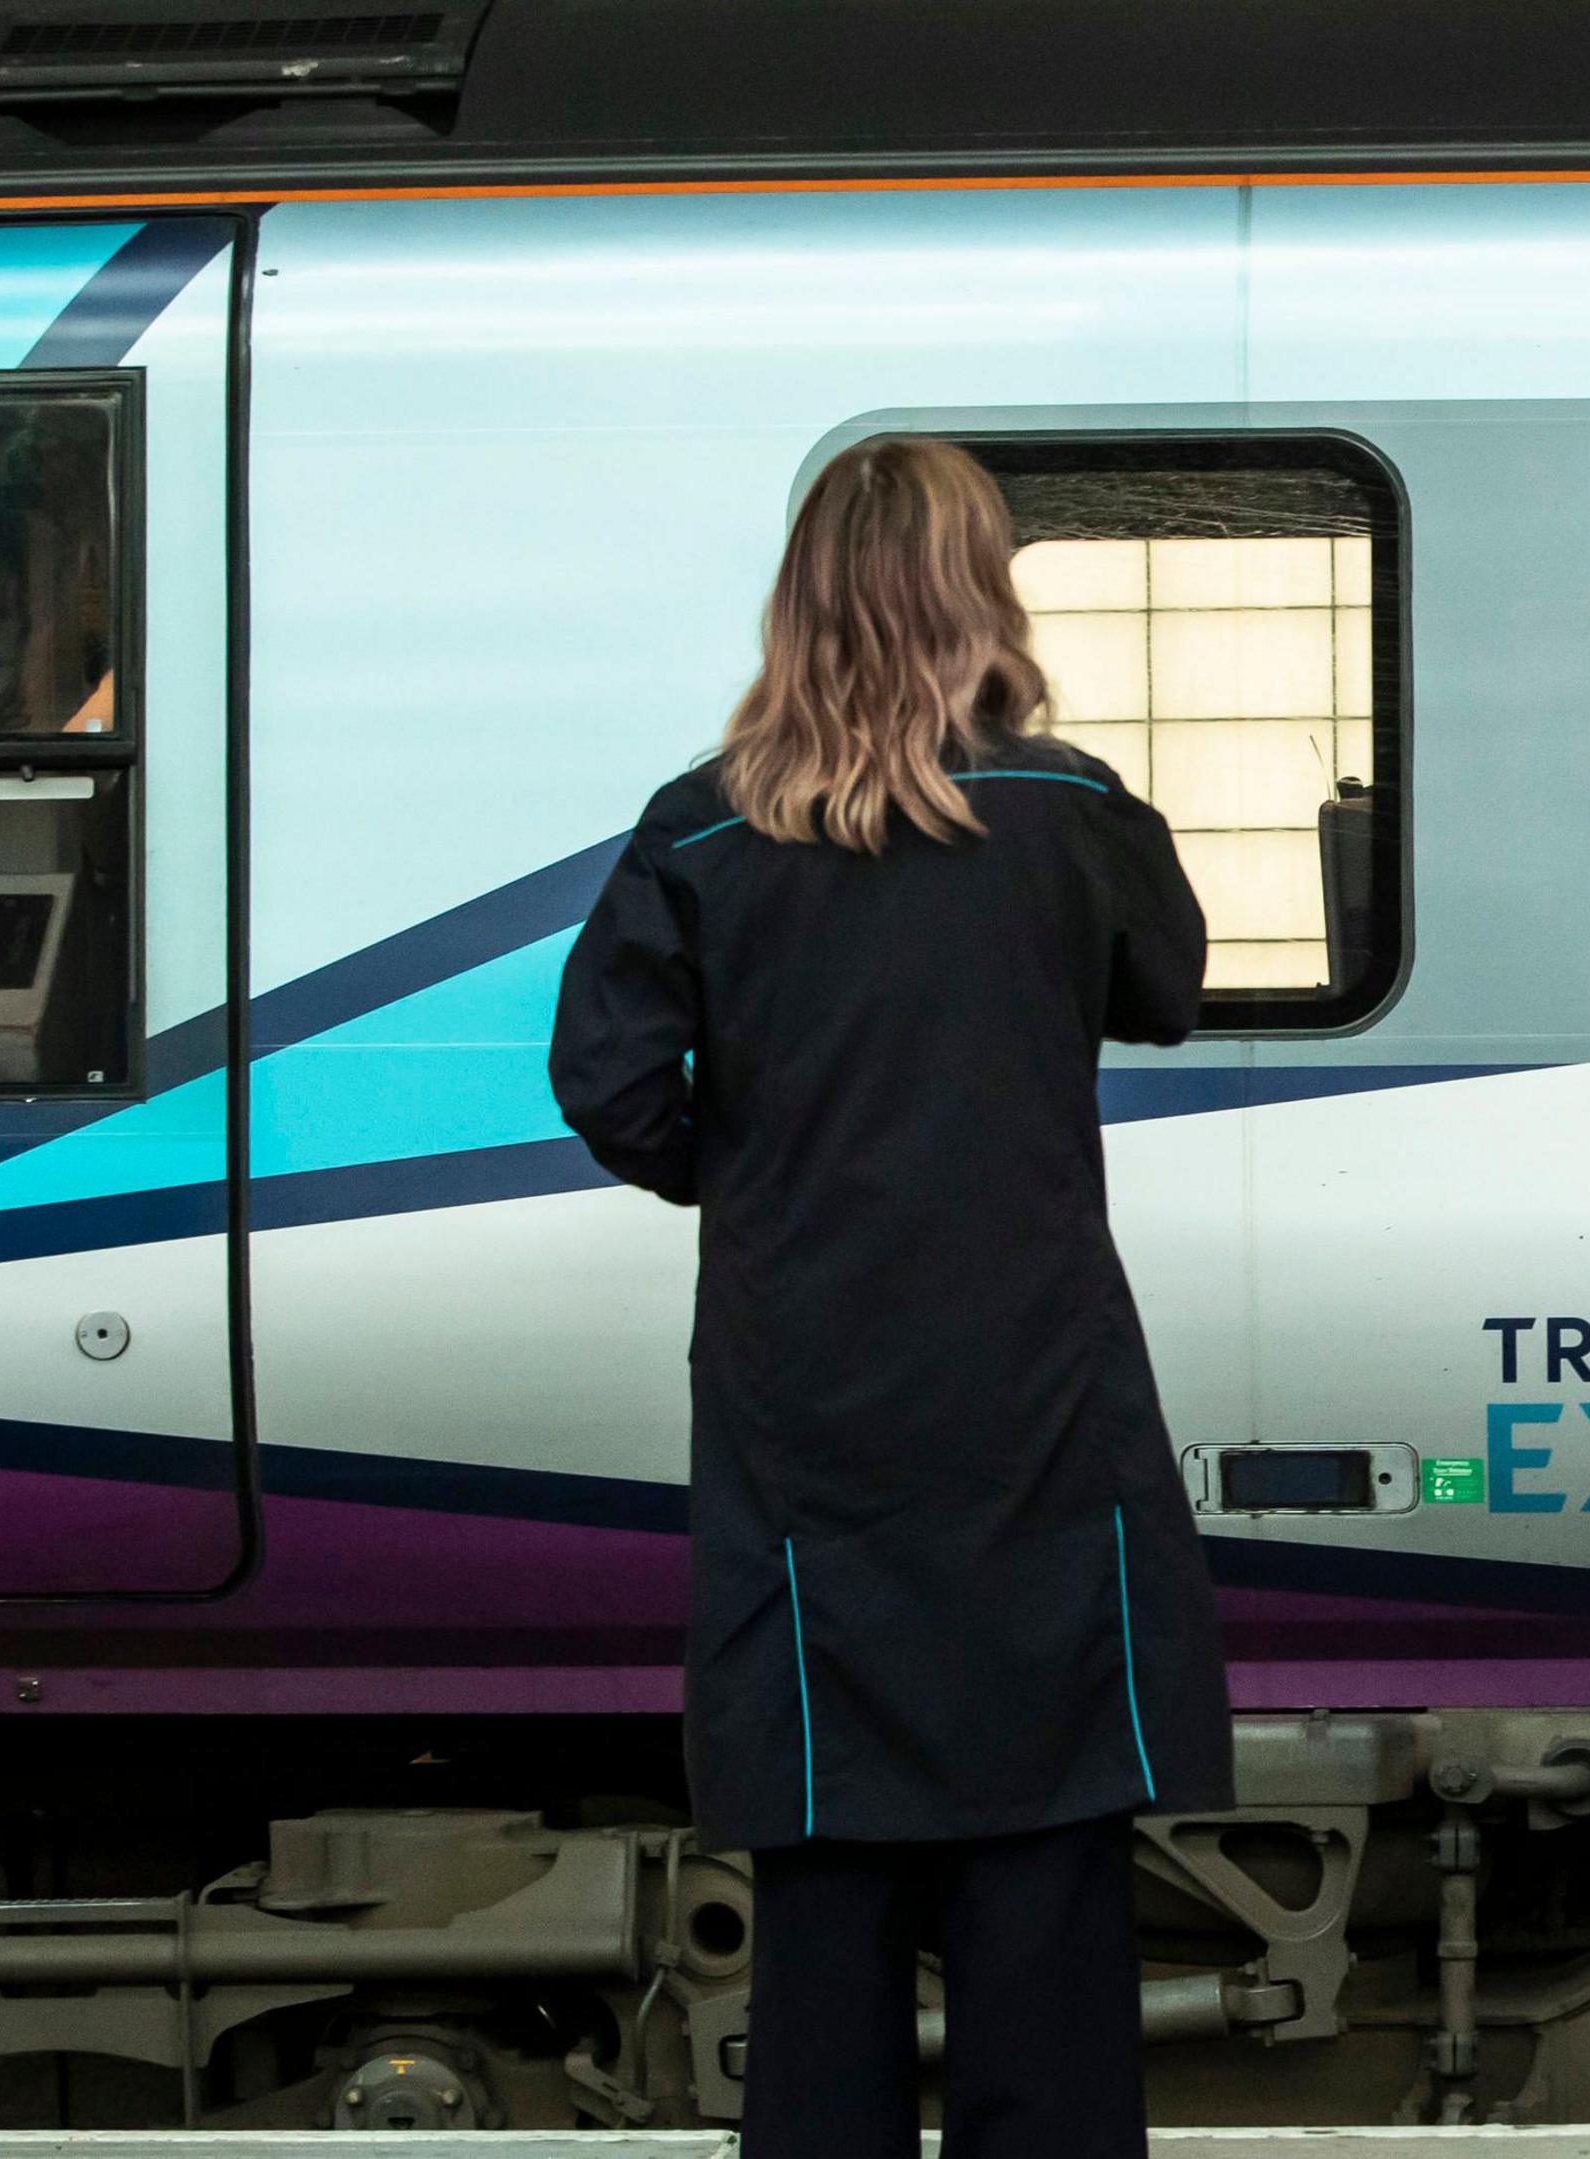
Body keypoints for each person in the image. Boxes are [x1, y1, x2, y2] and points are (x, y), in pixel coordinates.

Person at [548, 434, 1230, 2159]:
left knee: (828, 1879)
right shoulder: (1069, 809)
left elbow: (611, 1082)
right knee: (1043, 1860)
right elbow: (1167, 989)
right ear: (980, 591)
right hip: (1036, 1402)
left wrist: (761, 1169)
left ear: (802, 597)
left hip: (808, 1407)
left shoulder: (702, 825)